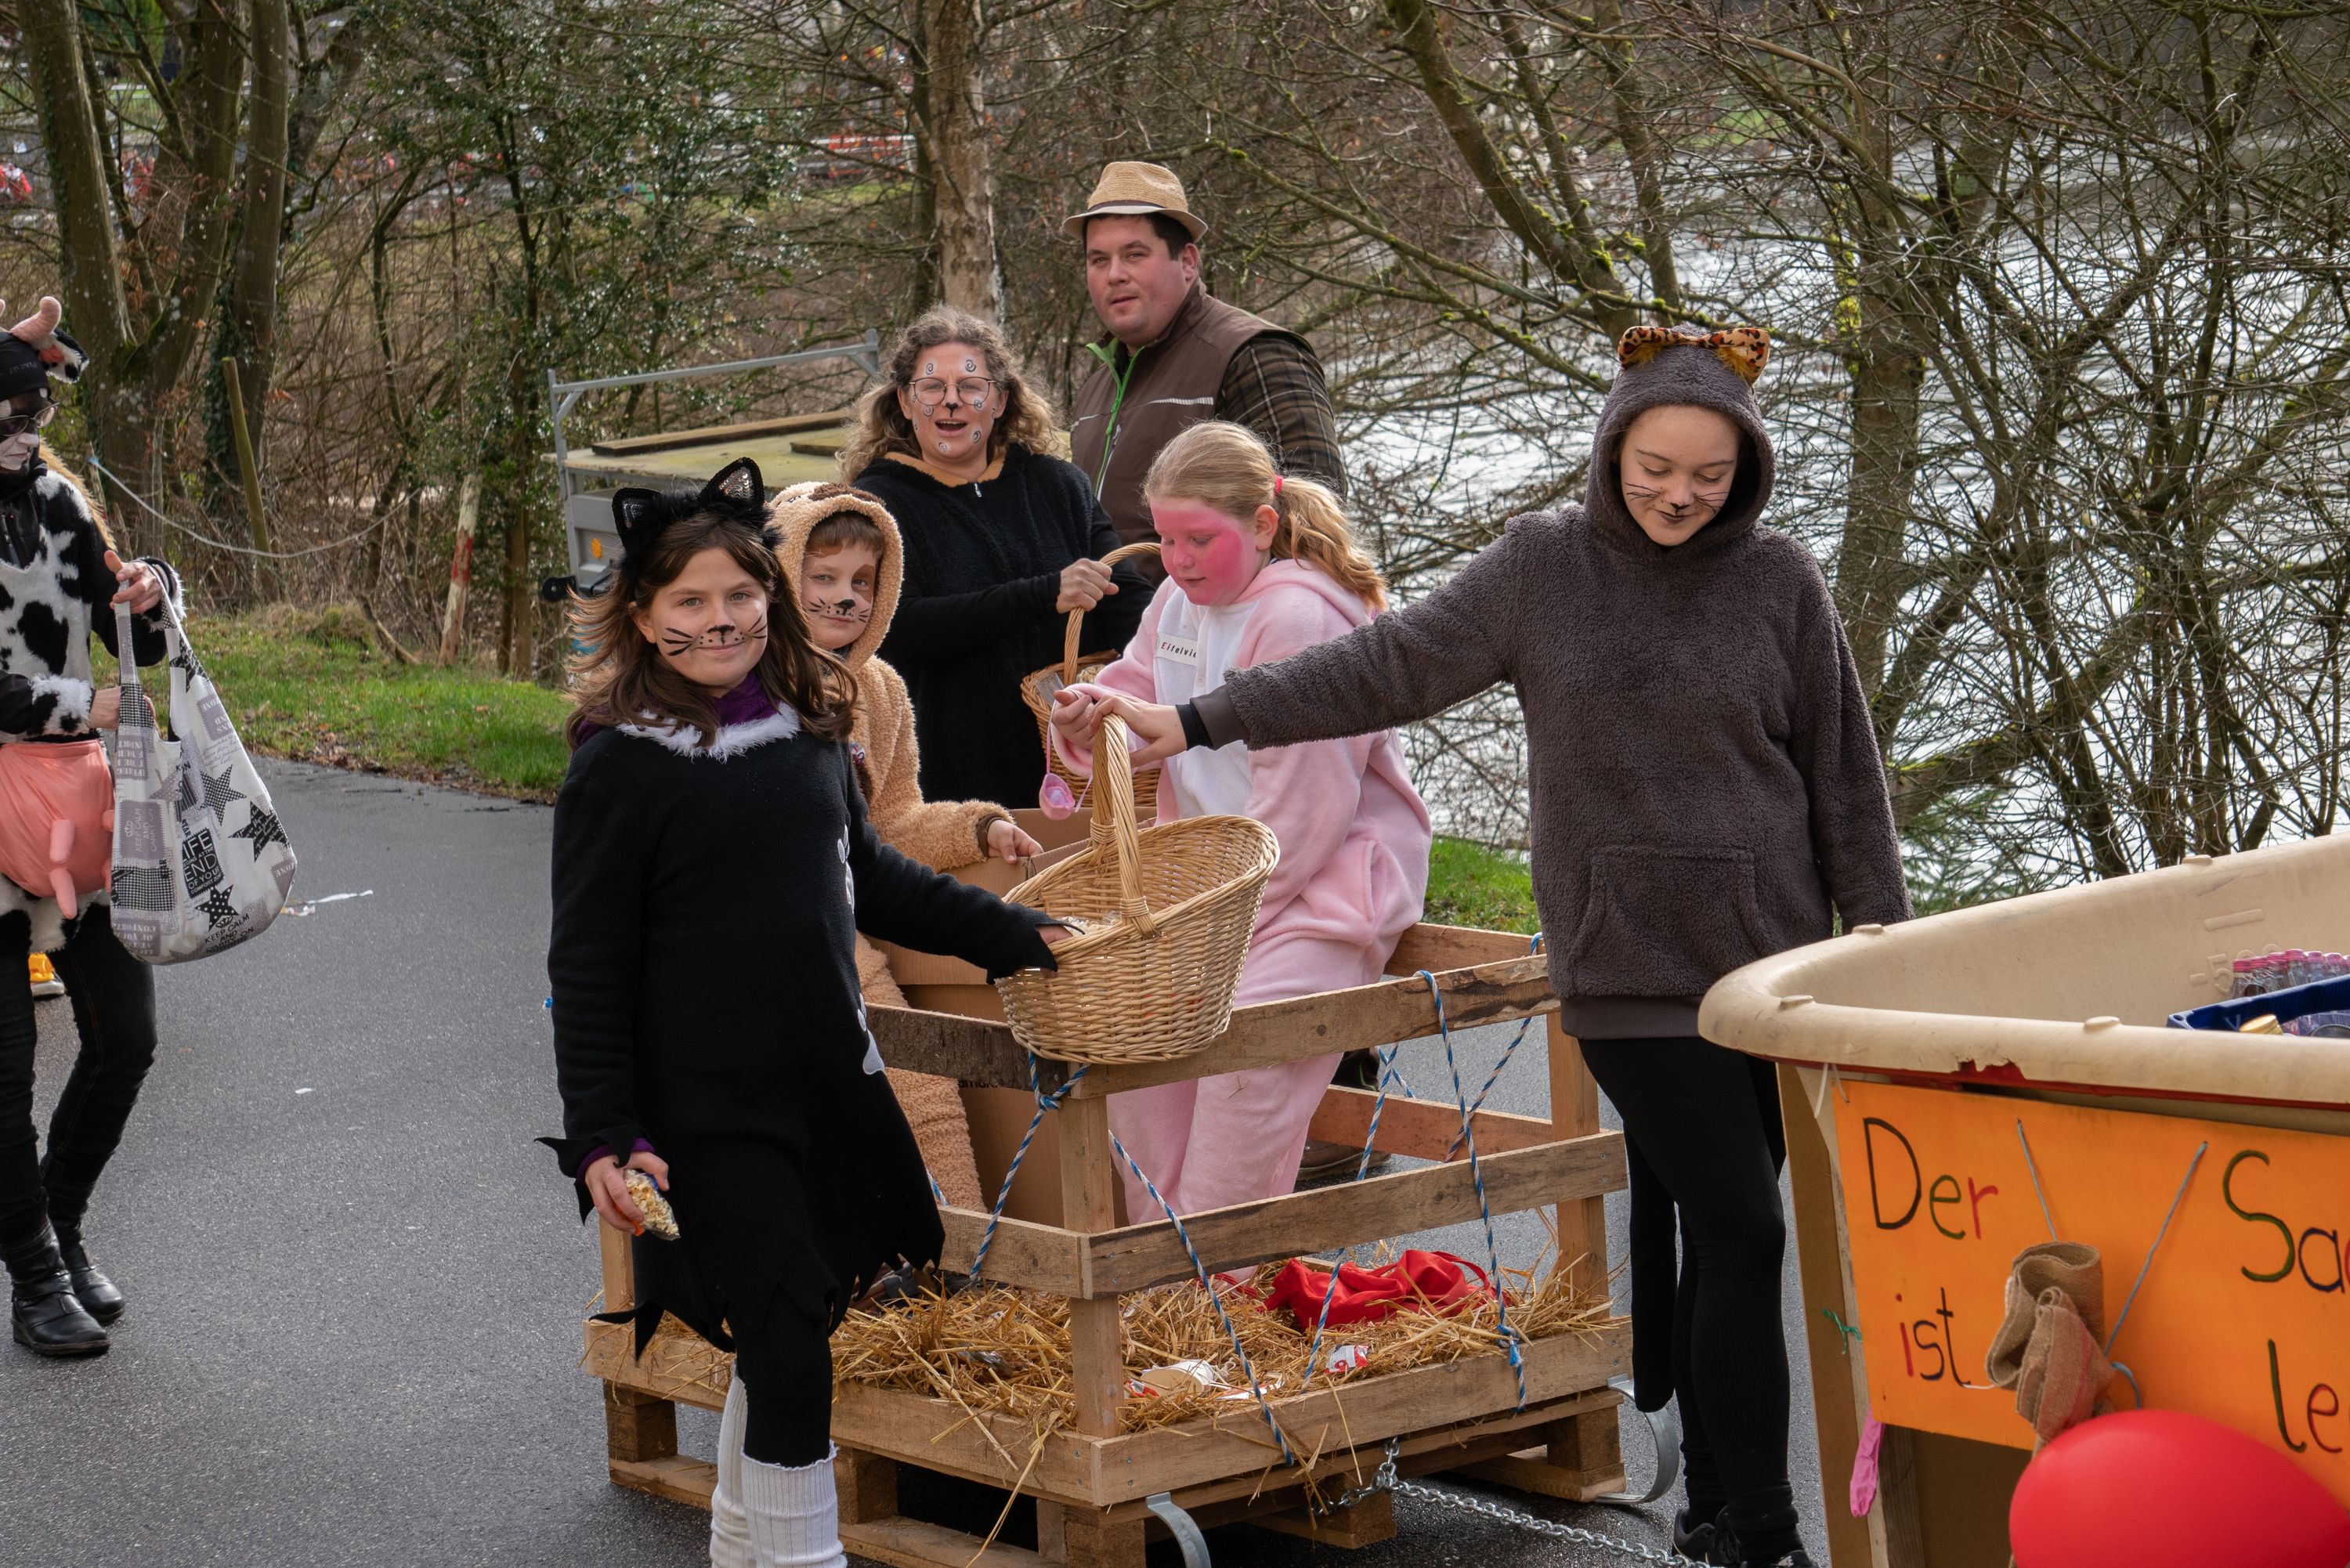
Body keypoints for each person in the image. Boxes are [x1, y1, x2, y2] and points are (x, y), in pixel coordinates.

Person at [1061, 327, 1909, 1568]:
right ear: (1614, 448)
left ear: (1749, 473)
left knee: (1720, 1224)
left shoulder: (1780, 580)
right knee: (1746, 1229)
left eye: (1709, 476)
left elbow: (1843, 770)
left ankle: (1717, 1515)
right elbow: (1380, 667)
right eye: (1655, 466)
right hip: (1625, 962)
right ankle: (1772, 1537)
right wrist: (1186, 715)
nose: (1678, 493)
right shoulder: (1542, 569)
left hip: (1771, 968)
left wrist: (1875, 940)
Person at [542, 457, 1067, 1568]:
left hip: (824, 1083)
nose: (721, 618)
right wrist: (603, 1130)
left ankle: (748, 1547)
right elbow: (587, 966)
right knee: (787, 1346)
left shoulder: (810, 730)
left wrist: (1012, 932)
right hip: (701, 1110)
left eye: (740, 595)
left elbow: (869, 875)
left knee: (792, 1325)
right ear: (643, 615)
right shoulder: (620, 769)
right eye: (689, 600)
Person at [1048, 421, 1430, 1220]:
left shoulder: (1299, 619)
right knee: (1139, 1055)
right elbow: (1137, 682)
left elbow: (1307, 810)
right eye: (1164, 540)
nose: (1178, 560)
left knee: (1240, 1066)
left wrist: (1216, 922)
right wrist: (1090, 716)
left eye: (1200, 539)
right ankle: (1167, 1279)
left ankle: (1215, 1284)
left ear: (1263, 525)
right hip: (1211, 897)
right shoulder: (1178, 604)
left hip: (1320, 894)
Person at [770, 479, 1042, 1212]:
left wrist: (977, 828)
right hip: (779, 925)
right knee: (832, 1091)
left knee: (920, 1077)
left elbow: (894, 822)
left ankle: (959, 1248)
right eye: (821, 577)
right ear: (779, 571)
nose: (845, 597)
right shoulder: (752, 682)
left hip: (855, 920)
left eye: (864, 581)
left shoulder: (881, 691)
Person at [0, 296, 178, 1358]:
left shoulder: (59, 499)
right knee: (3, 1067)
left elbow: (141, 650)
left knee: (127, 1036)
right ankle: (30, 1270)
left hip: (67, 807)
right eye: (5, 415)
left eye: (30, 410)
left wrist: (151, 597)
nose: (23, 432)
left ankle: (61, 1225)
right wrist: (81, 705)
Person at [844, 306, 1152, 809]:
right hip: (955, 779)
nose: (950, 402)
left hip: (1082, 762)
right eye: (931, 387)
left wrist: (1182, 655)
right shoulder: (876, 506)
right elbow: (897, 631)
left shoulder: (1058, 484)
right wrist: (1044, 594)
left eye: (970, 387)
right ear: (904, 400)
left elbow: (1126, 597)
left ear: (1001, 399)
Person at [1065, 161, 1347, 549]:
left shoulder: (1255, 354)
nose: (1114, 274)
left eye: (1134, 254)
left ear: (1187, 262)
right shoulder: (1096, 387)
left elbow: (1311, 525)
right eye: (1099, 260)